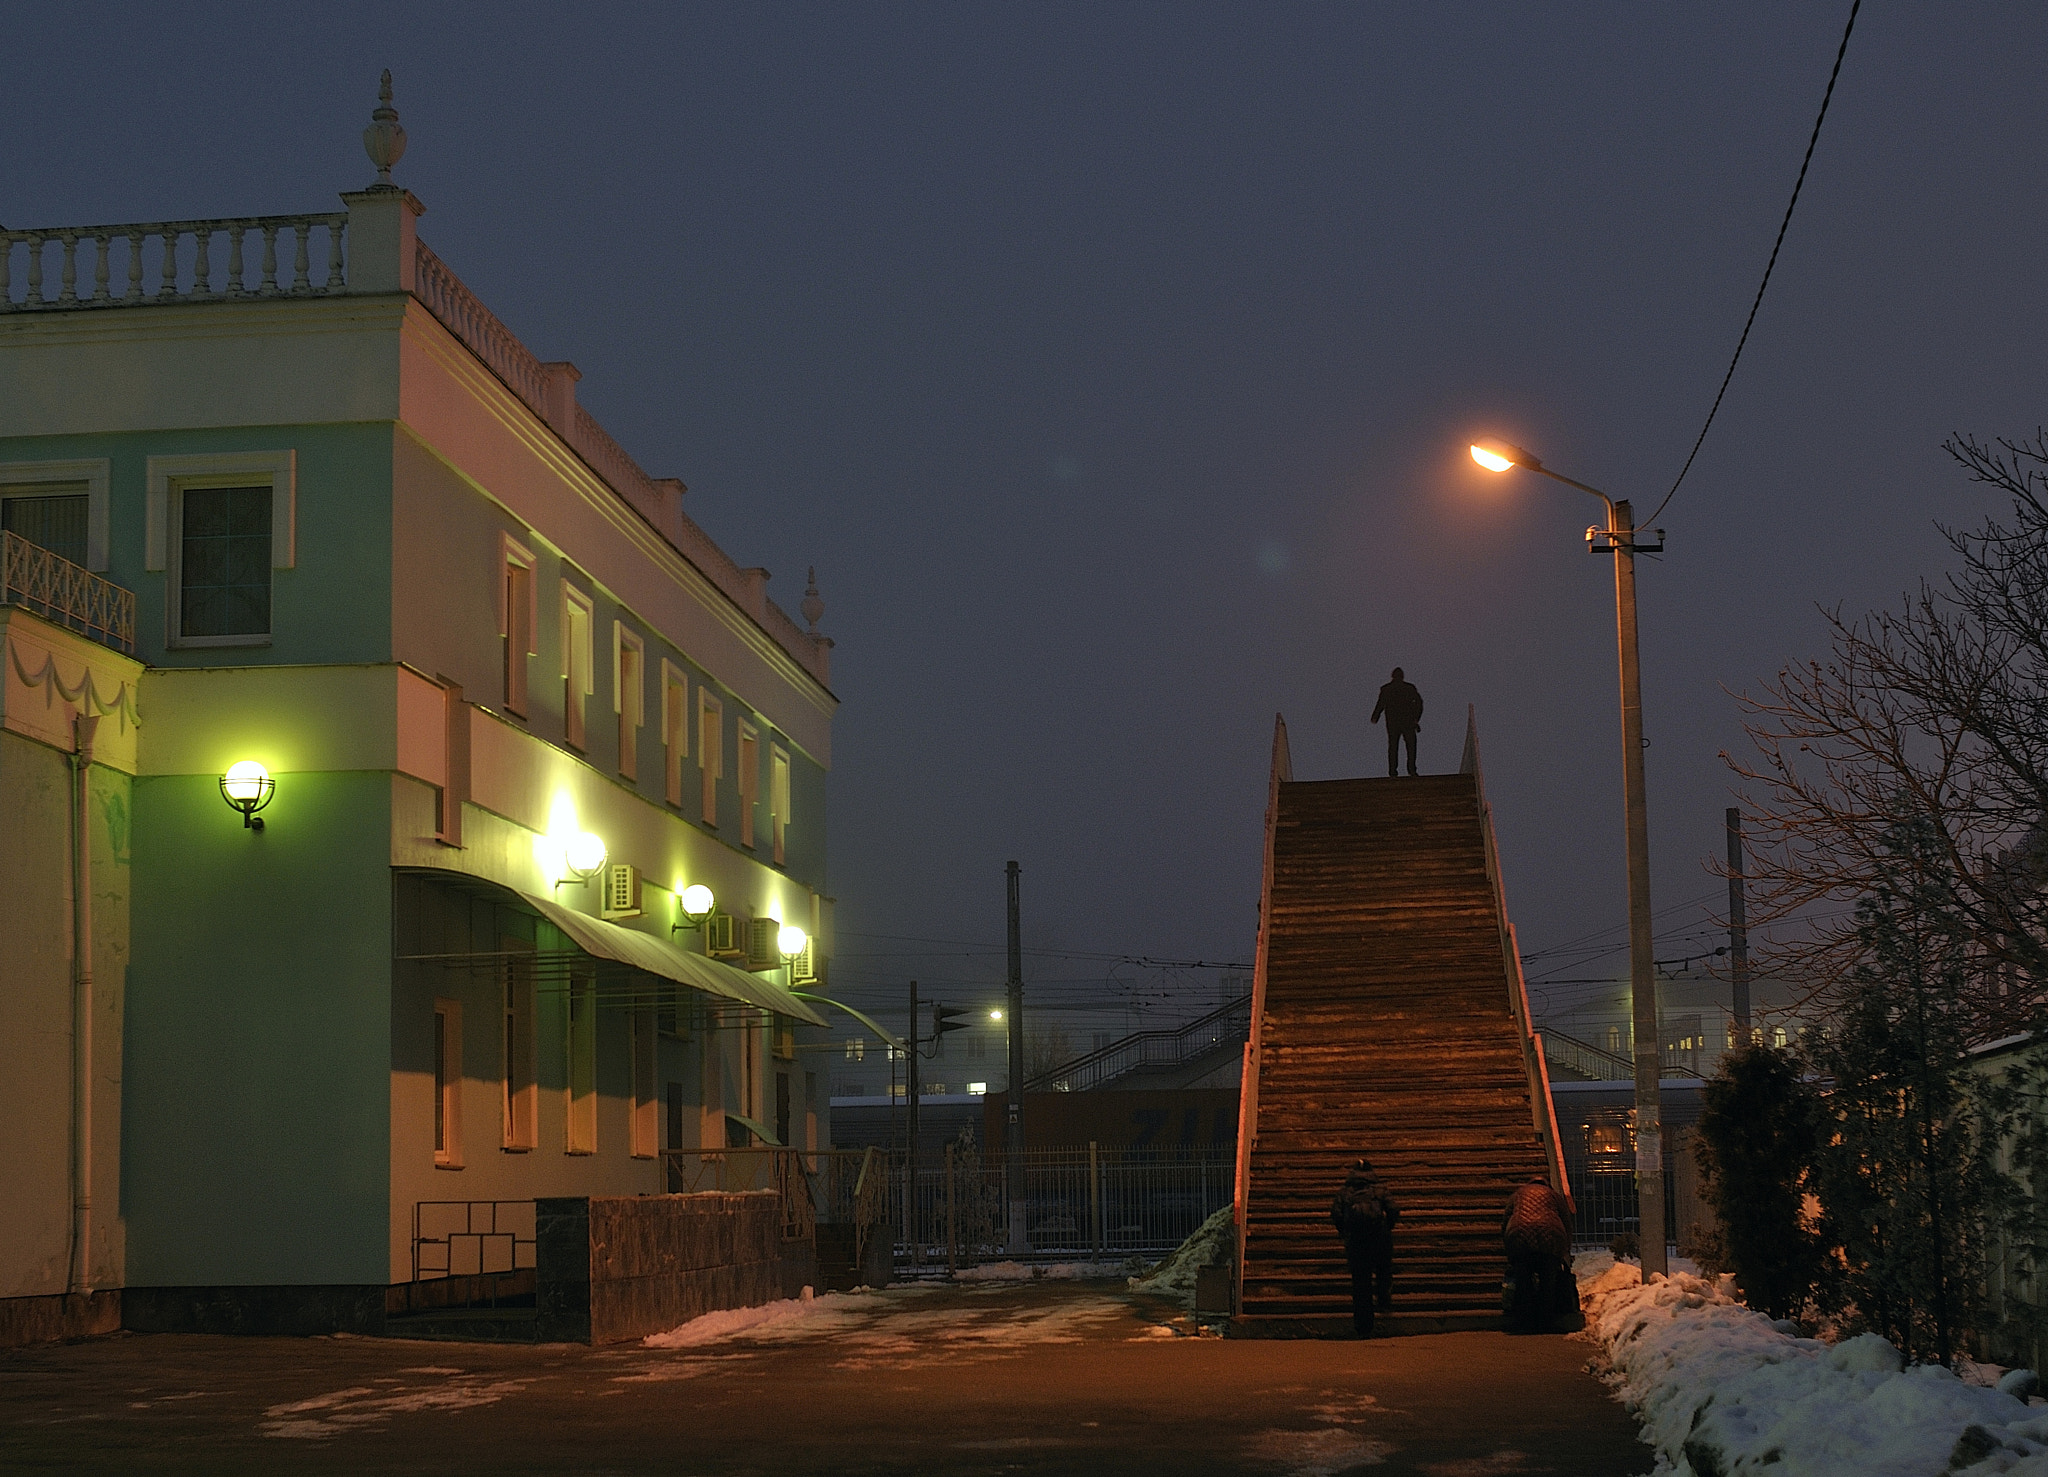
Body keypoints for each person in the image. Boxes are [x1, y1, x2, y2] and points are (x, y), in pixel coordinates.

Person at [1330, 1157, 1399, 1336]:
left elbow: (1335, 1213)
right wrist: (1387, 1227)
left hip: (1356, 1241)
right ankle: (1384, 1300)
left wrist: (1344, 1231)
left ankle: (1363, 1324)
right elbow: (1394, 1210)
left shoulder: (1345, 1192)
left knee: (1361, 1282)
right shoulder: (1380, 1189)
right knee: (1383, 1269)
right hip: (1379, 1237)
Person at [1502, 1177, 1574, 1332]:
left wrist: (1509, 1246)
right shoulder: (1554, 1195)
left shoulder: (1518, 1194)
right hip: (1550, 1238)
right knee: (1548, 1282)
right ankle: (1544, 1321)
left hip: (1520, 1236)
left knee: (1524, 1280)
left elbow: (1507, 1217)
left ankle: (1525, 1320)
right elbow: (1566, 1220)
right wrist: (1566, 1247)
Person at [1370, 668, 1424, 777]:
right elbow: (1419, 703)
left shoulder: (1386, 689)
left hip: (1393, 723)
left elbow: (1380, 704)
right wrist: (1416, 718)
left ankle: (1393, 771)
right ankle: (1412, 770)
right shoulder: (1409, 688)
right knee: (1411, 746)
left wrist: (1375, 716)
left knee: (1393, 747)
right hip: (1408, 722)